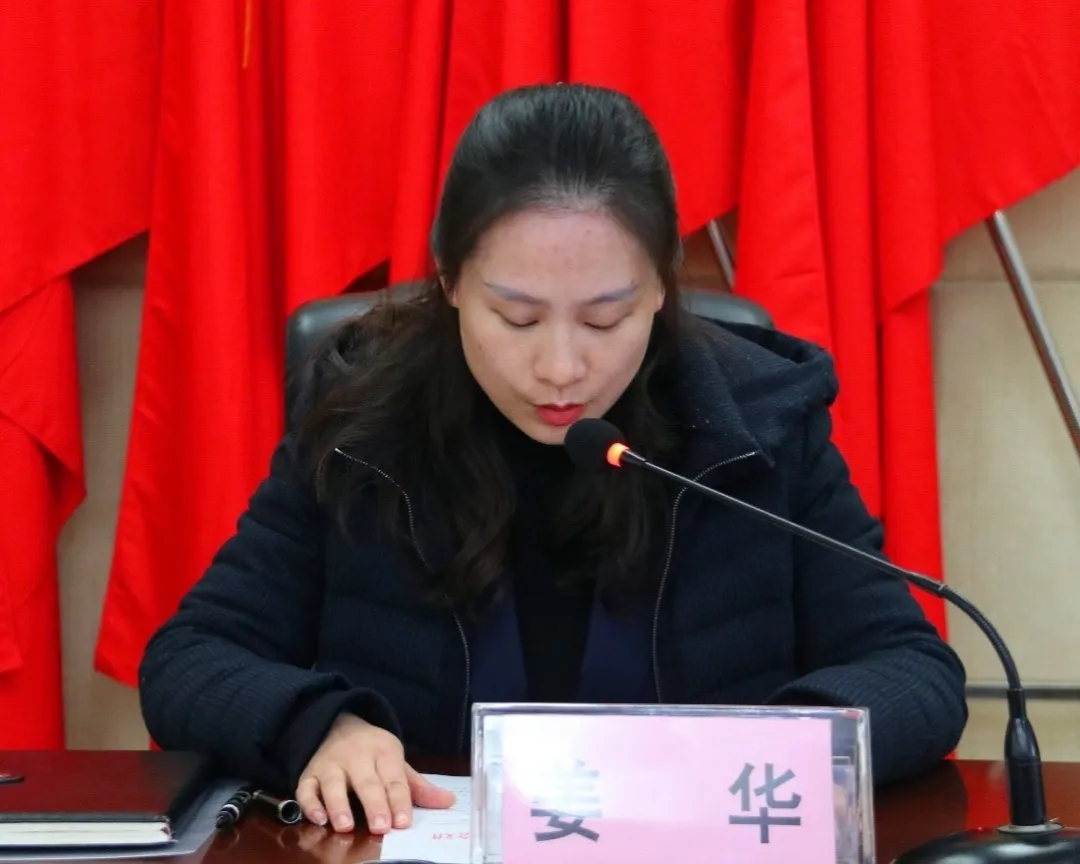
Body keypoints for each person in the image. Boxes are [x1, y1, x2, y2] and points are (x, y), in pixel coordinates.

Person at [139, 82, 967, 836]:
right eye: (518, 319)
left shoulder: (753, 426)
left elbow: (914, 672)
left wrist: (780, 749)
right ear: (450, 280)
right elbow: (190, 659)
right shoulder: (364, 425)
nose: (562, 368)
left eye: (605, 321)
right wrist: (319, 725)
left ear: (660, 288)